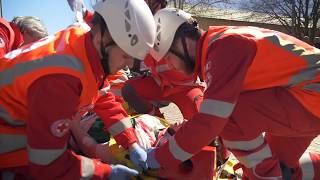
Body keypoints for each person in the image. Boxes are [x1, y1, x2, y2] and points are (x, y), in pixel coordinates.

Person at [132, 8, 320, 179]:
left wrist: (159, 157)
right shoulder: (220, 43)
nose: (170, 65)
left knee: (230, 117)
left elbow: (212, 120)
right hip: (306, 96)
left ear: (182, 41)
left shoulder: (223, 48)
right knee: (281, 168)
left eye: (168, 56)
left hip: (310, 95)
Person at [0, 0, 156, 179]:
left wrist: (131, 142)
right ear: (102, 39)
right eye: (125, 56)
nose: (127, 65)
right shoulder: (60, 79)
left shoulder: (84, 47)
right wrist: (105, 172)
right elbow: (48, 163)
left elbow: (104, 100)